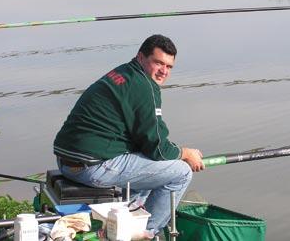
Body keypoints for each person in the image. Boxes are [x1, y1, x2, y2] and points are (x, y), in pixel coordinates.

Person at [53, 34, 204, 237]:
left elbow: (146, 141)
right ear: (141, 57)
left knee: (148, 164)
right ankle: (144, 234)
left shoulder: (123, 73)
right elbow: (158, 148)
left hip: (67, 161)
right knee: (181, 172)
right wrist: (186, 153)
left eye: (169, 67)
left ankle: (125, 219)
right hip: (92, 167)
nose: (163, 71)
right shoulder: (144, 87)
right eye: (158, 63)